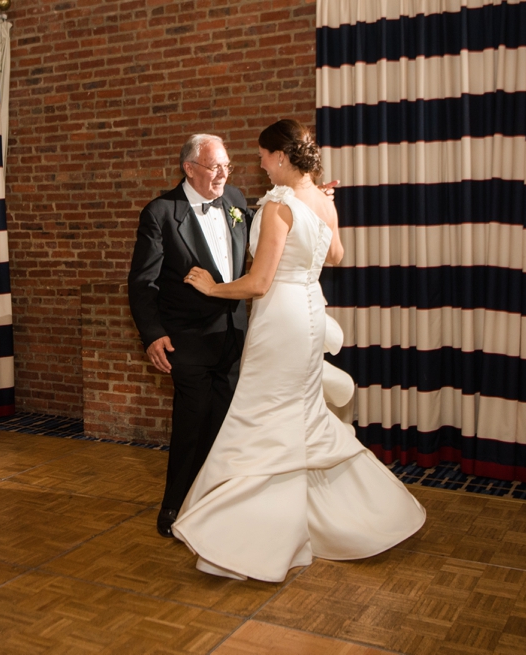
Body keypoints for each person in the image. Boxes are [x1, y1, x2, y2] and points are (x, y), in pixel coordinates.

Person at [171, 119, 425, 582]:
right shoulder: (320, 202)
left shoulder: (279, 204)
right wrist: (324, 208)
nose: (261, 164)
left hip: (280, 318)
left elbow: (260, 281)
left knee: (260, 419)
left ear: (282, 156)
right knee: (295, 417)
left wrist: (212, 287)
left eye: (264, 156)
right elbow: (337, 256)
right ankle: (330, 520)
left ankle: (250, 541)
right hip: (309, 313)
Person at [127, 135, 251, 538]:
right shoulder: (161, 213)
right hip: (188, 342)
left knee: (226, 425)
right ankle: (175, 505)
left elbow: (273, 232)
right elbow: (142, 282)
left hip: (234, 338)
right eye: (215, 167)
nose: (223, 174)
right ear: (190, 168)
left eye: (227, 166)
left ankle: (216, 502)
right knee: (191, 423)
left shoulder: (235, 200)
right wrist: (152, 334)